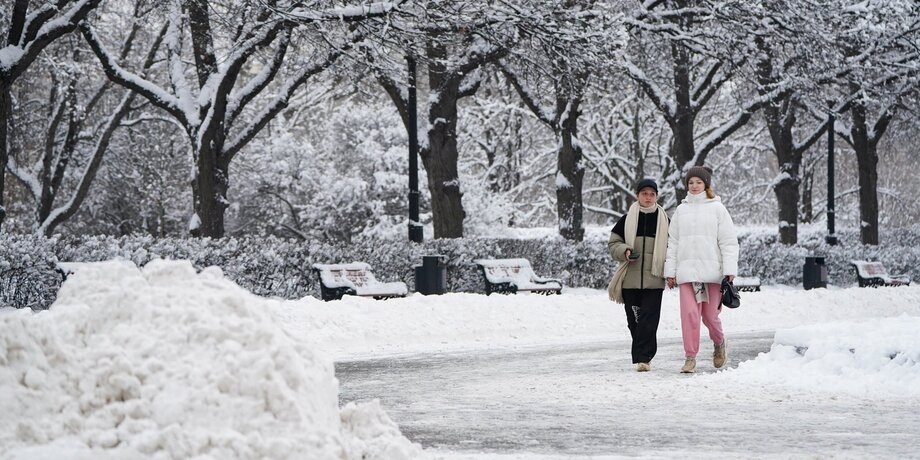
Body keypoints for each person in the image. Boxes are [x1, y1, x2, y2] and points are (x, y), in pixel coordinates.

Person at [664, 166, 739, 373]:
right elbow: (673, 242)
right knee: (689, 314)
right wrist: (670, 272)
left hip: (712, 273)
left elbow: (729, 242)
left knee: (710, 317)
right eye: (690, 182)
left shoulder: (717, 209)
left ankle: (719, 342)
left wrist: (729, 269)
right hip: (687, 273)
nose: (694, 186)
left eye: (698, 182)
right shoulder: (681, 210)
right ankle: (690, 357)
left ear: (706, 184)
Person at [608, 178, 670, 372]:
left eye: (652, 194)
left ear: (656, 197)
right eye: (644, 193)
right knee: (634, 321)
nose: (648, 197)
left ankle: (644, 358)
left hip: (654, 279)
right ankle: (642, 353)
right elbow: (613, 244)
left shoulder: (665, 220)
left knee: (649, 320)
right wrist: (625, 250)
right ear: (637, 195)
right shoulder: (626, 219)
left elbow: (673, 247)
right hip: (630, 280)